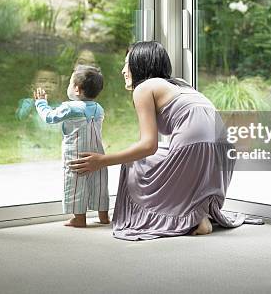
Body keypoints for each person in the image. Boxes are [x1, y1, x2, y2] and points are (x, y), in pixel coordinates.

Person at [68, 41, 247, 240]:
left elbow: (148, 146)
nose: (123, 71)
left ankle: (190, 217)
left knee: (134, 160)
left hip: (196, 150)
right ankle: (199, 211)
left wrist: (102, 161)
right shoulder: (179, 84)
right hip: (224, 152)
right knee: (155, 153)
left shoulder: (144, 88)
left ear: (140, 64)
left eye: (127, 64)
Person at [34, 64, 109, 228]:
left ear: (76, 89)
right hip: (98, 155)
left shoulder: (71, 107)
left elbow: (49, 117)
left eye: (69, 83)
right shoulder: (99, 109)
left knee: (75, 184)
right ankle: (104, 216)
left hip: (76, 155)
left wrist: (41, 103)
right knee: (99, 183)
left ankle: (79, 218)